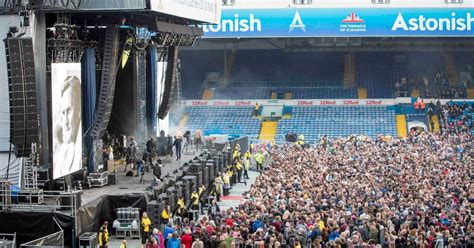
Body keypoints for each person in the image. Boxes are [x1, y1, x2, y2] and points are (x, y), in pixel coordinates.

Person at [53, 75, 82, 178]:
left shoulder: (79, 152)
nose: (65, 122)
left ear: (78, 111)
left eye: (69, 111)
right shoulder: (59, 156)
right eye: (63, 113)